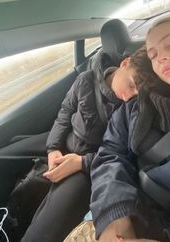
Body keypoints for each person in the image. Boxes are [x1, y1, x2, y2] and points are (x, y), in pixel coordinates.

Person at [90, 13, 170, 242]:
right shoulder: (134, 108)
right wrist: (113, 214)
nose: (161, 57)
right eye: (152, 54)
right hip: (129, 212)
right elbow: (109, 154)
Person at [22, 47, 148, 242]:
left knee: (43, 231)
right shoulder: (86, 79)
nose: (129, 97)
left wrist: (81, 161)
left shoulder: (131, 109)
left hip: (90, 163)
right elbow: (65, 111)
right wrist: (53, 147)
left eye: (137, 94)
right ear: (125, 63)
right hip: (66, 139)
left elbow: (120, 154)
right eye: (131, 85)